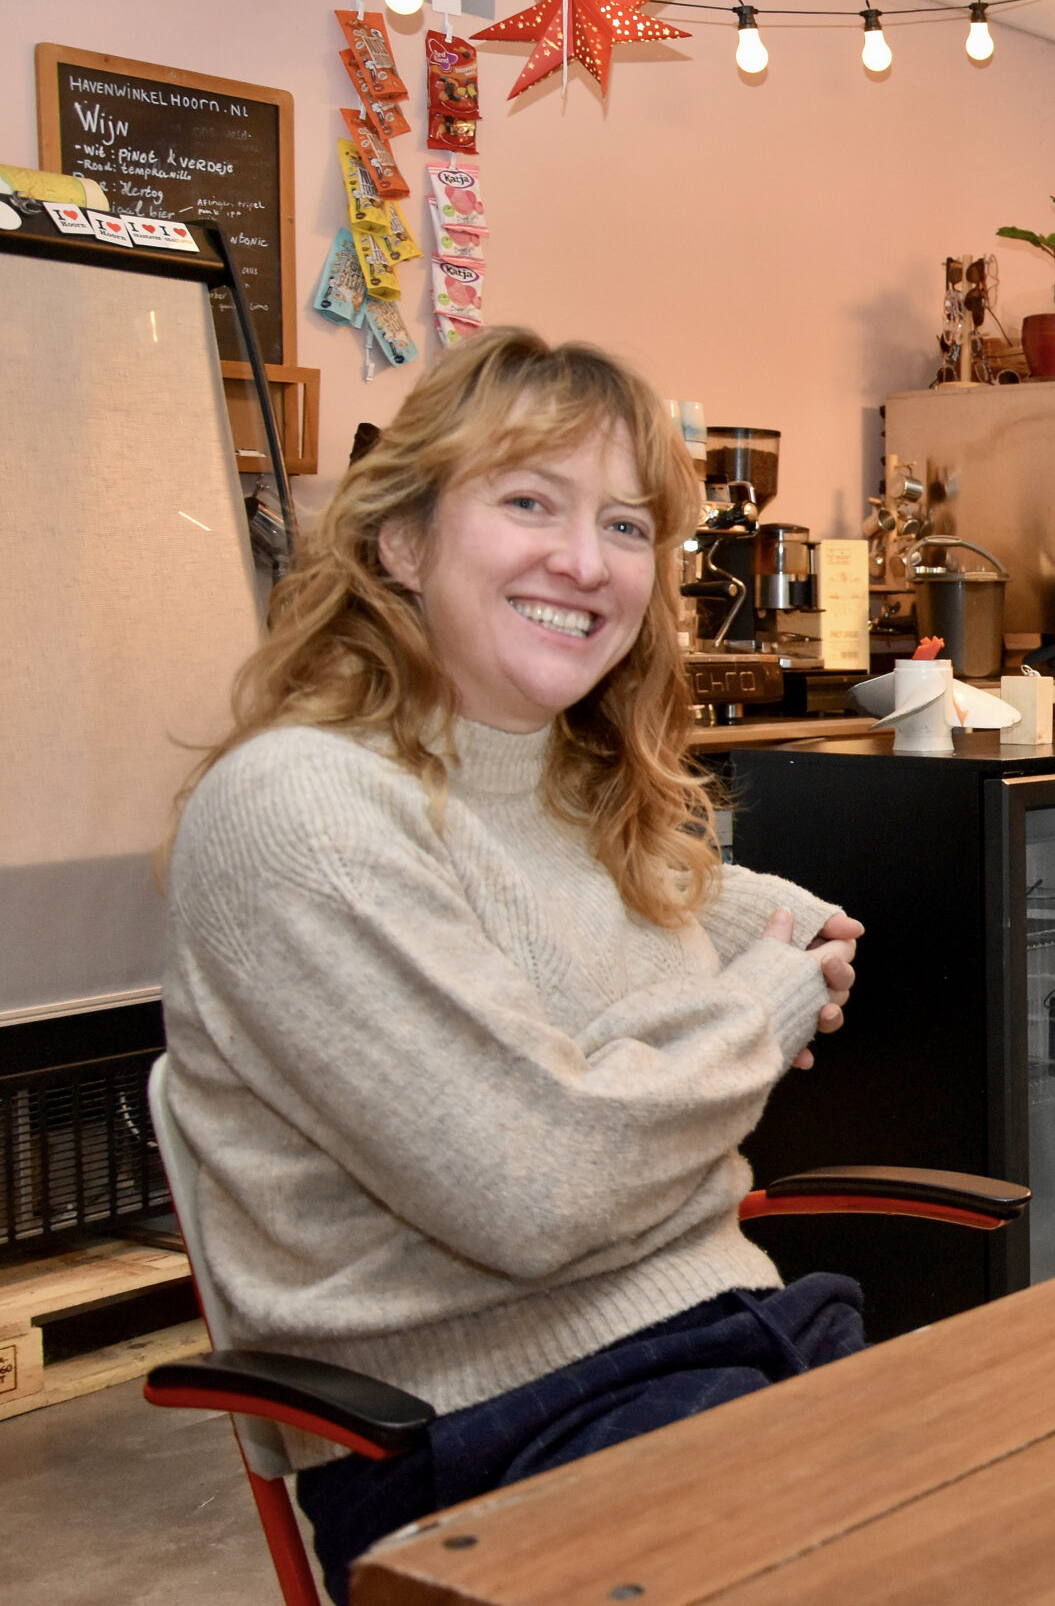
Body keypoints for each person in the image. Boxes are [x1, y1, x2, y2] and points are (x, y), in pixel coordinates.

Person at [160, 329, 863, 1602]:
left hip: (731, 1341)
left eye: (628, 525)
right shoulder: (298, 814)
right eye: (529, 502)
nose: (584, 563)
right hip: (479, 1436)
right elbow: (536, 1190)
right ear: (401, 540)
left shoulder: (576, 790)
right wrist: (753, 1013)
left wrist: (743, 961)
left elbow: (674, 925)